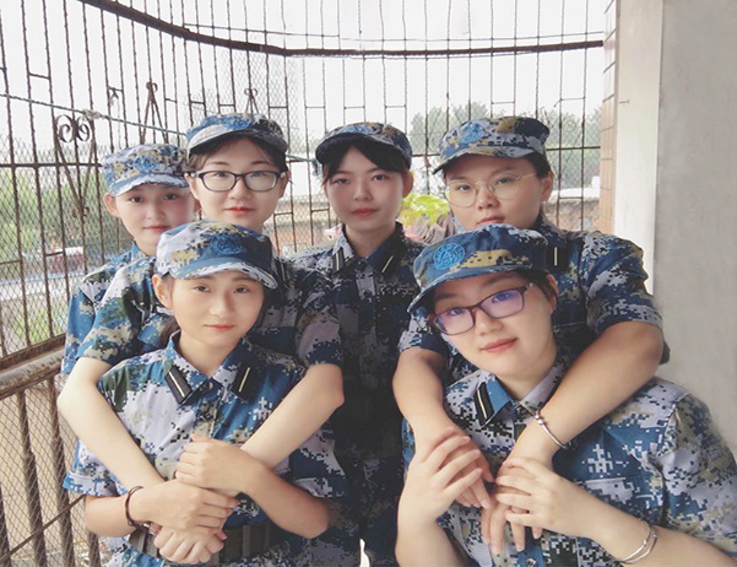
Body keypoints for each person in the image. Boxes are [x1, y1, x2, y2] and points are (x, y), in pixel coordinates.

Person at [57, 114, 344, 559]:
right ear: (193, 184)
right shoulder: (138, 282)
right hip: (157, 537)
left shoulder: (303, 285)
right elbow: (79, 392)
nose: (239, 191)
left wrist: (220, 487)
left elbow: (325, 387)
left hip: (266, 526)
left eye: (258, 174)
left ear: (282, 183)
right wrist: (162, 504)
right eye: (219, 174)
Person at [392, 117, 665, 550]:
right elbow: (416, 360)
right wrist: (436, 434)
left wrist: (534, 444)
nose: (483, 201)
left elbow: (636, 342)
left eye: (503, 181)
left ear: (545, 183)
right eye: (463, 187)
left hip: (591, 457)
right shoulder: (443, 272)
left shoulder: (591, 256)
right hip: (481, 460)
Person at [396, 223, 737, 566]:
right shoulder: (443, 423)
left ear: (551, 293)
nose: (484, 326)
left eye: (502, 297)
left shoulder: (662, 417)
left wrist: (599, 523)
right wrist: (414, 521)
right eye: (454, 312)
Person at [291, 123, 421, 565]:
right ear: (325, 187)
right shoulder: (298, 276)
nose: (361, 194)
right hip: (321, 473)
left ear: (407, 182)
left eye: (379, 177)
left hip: (410, 467)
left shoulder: (436, 273)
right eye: (342, 180)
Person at [61, 143, 197, 377]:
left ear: (196, 198)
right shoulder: (96, 288)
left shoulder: (224, 269)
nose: (154, 212)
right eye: (136, 199)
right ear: (112, 205)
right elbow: (78, 383)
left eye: (170, 196)